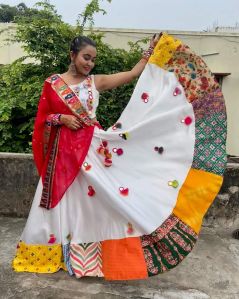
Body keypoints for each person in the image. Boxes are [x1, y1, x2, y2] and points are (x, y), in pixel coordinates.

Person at [12, 33, 227, 280]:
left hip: (92, 150)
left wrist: (151, 53)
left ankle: (90, 258)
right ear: (72, 55)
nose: (89, 63)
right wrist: (60, 118)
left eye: (93, 59)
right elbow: (42, 120)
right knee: (60, 204)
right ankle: (52, 253)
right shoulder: (52, 84)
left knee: (94, 205)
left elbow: (133, 74)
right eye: (85, 57)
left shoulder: (96, 82)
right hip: (62, 155)